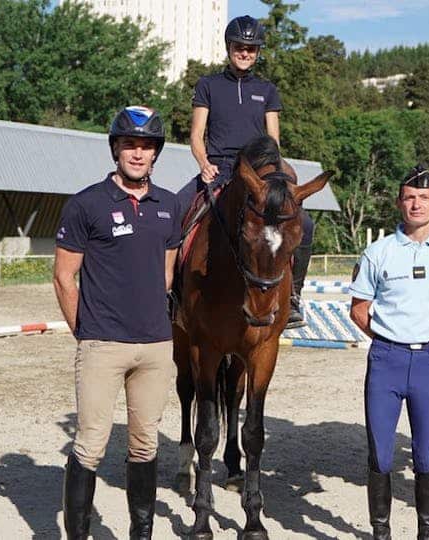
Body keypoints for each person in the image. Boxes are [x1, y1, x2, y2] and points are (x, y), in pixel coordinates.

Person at [53, 106, 181, 540]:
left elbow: (166, 274)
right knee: (90, 445)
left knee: (145, 444)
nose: (138, 153)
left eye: (146, 146)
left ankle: (140, 535)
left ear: (156, 153)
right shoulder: (86, 204)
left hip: (156, 347)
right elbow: (64, 276)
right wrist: (85, 331)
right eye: (130, 145)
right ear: (115, 149)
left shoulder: (169, 207)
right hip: (102, 345)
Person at [349, 165, 429, 540]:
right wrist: (388, 337)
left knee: (425, 456)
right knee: (382, 456)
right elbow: (359, 309)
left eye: (424, 198)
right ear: (399, 203)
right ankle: (381, 533)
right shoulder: (378, 252)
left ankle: (426, 534)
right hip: (386, 362)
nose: (416, 204)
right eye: (409, 197)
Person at [179, 14, 314, 329]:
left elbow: (273, 142)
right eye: (239, 47)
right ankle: (170, 294)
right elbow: (197, 135)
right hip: (219, 167)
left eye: (251, 49)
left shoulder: (267, 90)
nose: (245, 53)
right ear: (229, 47)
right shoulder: (207, 84)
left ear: (257, 52)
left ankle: (293, 296)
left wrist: (273, 178)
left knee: (304, 224)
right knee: (174, 212)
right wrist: (203, 163)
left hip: (258, 174)